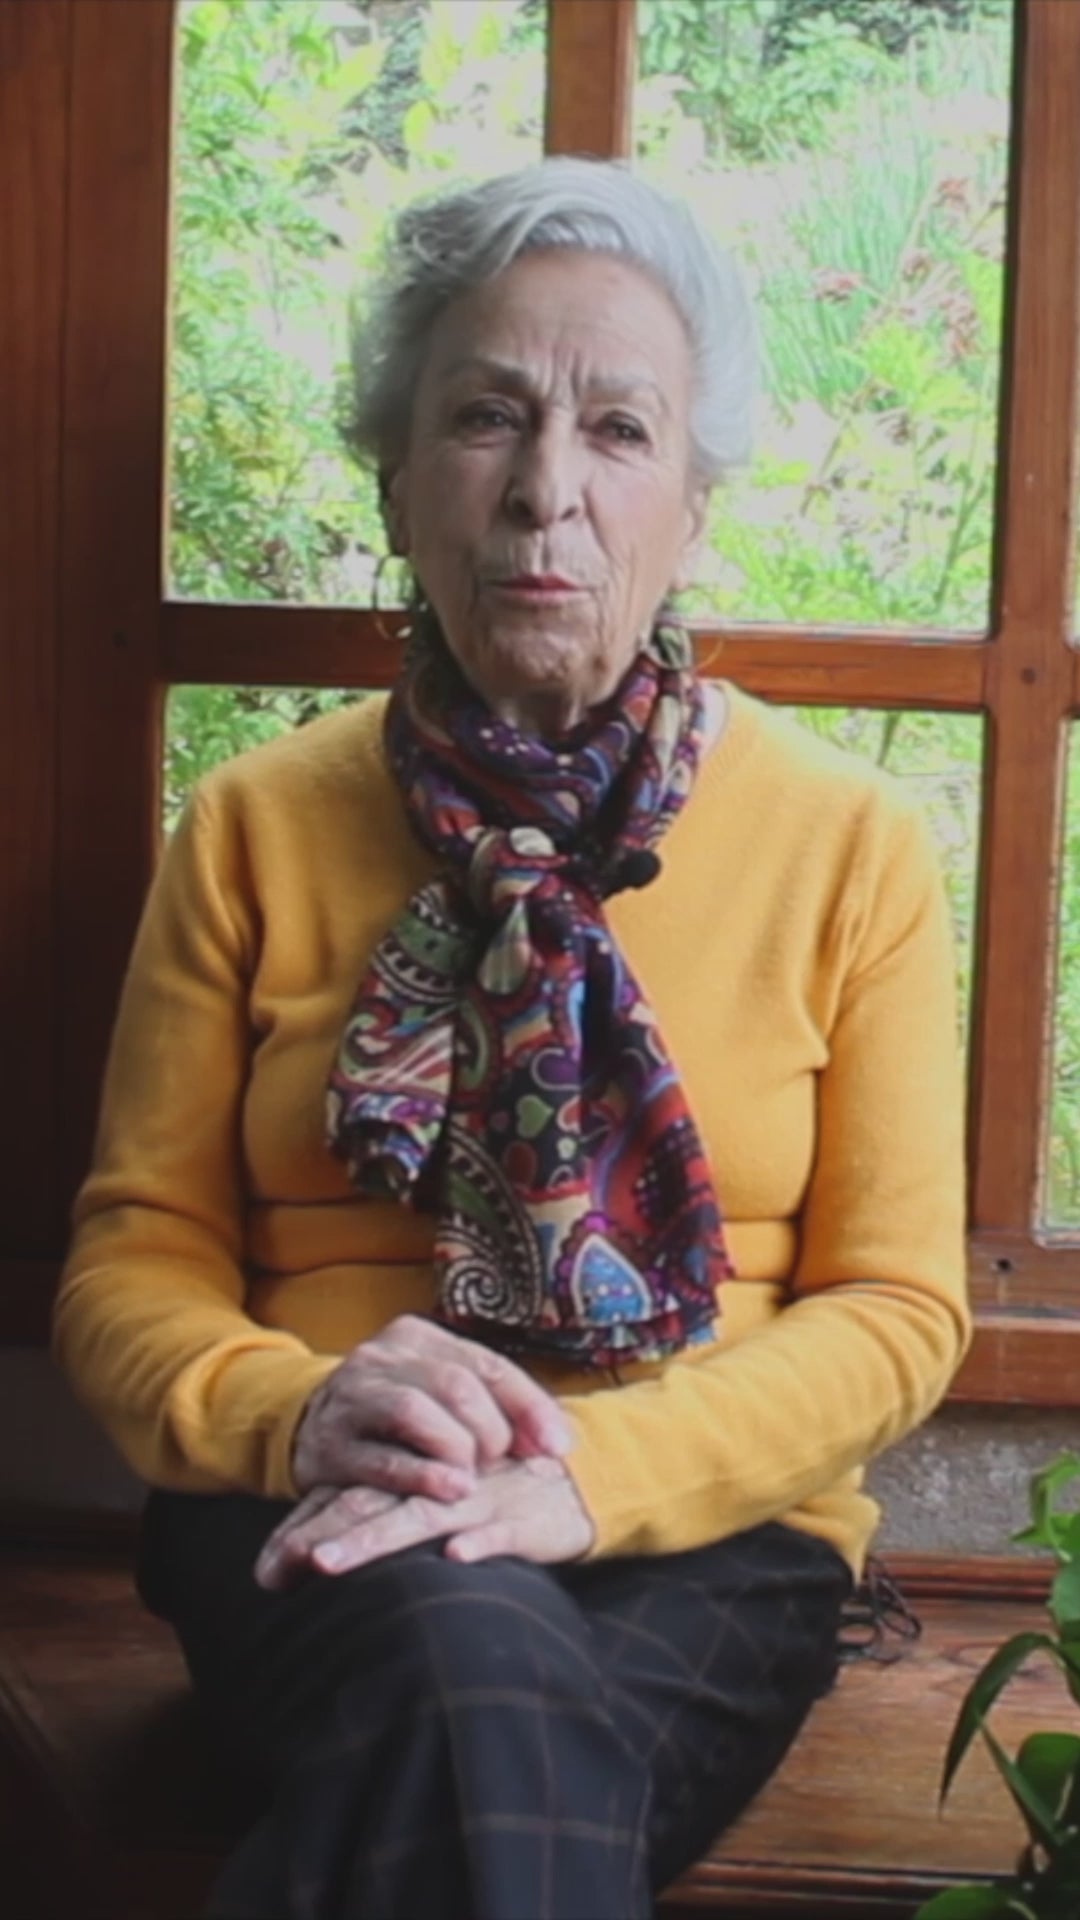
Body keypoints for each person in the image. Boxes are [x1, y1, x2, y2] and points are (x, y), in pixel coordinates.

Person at [53, 158, 970, 1920]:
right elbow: (133, 1261)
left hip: (716, 1536)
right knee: (485, 1703)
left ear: (692, 504)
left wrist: (591, 1476)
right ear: (399, 484)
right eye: (487, 418)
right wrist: (299, 1409)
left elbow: (897, 1309)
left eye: (619, 431)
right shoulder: (251, 827)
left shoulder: (849, 845)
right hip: (311, 1498)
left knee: (484, 1741)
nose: (549, 489)